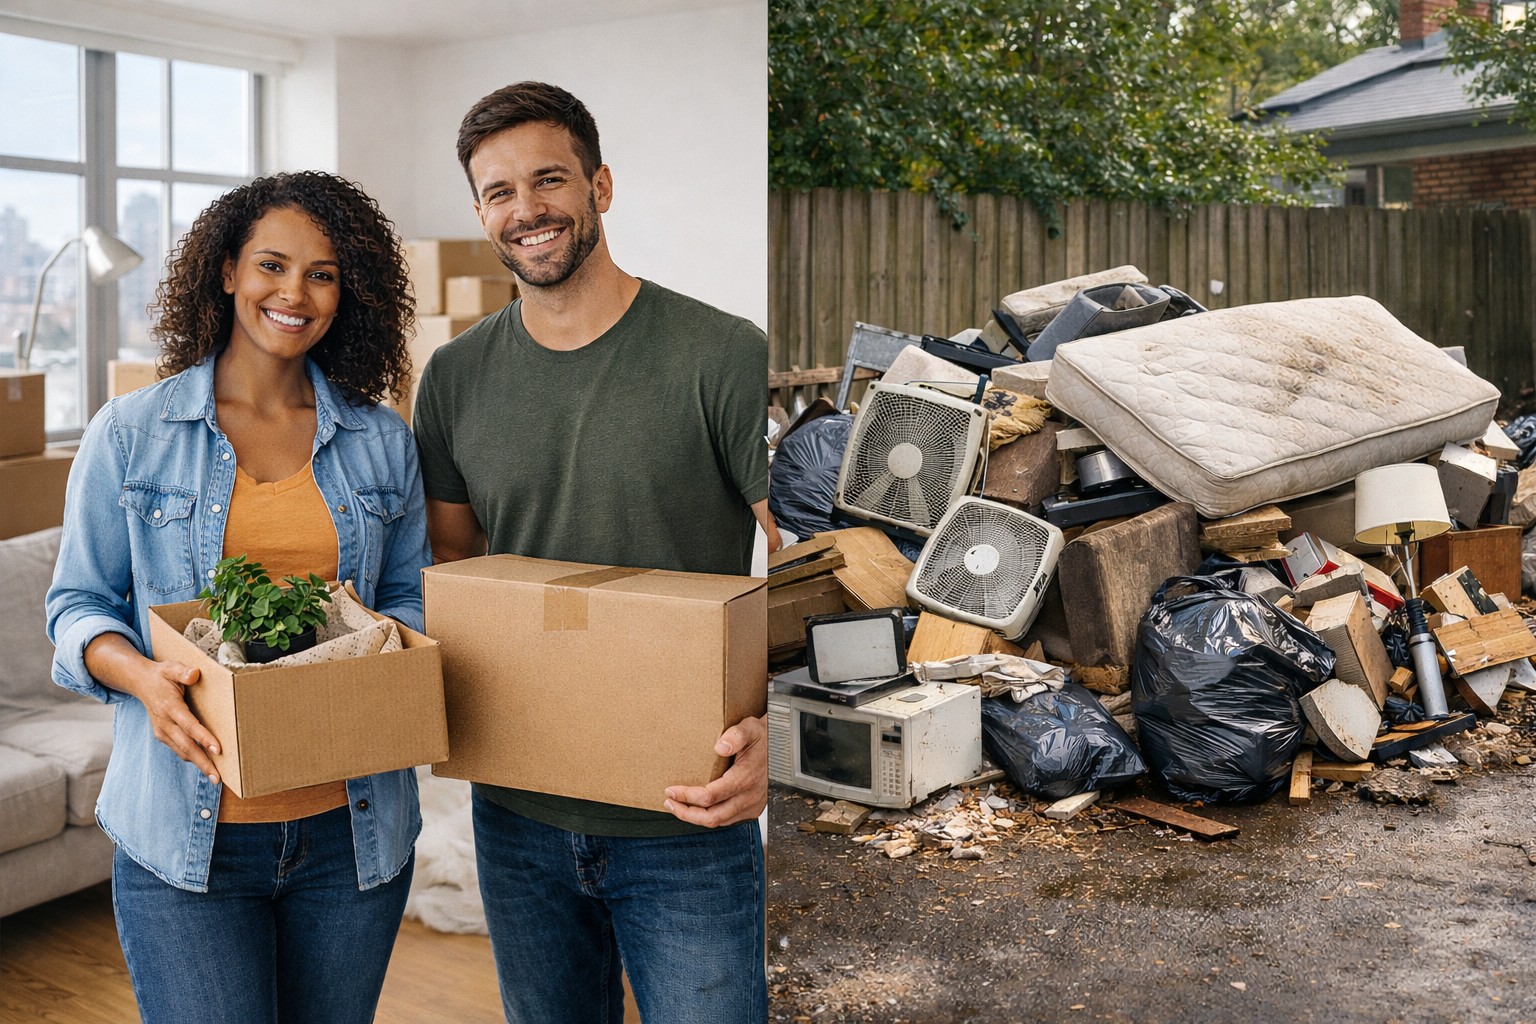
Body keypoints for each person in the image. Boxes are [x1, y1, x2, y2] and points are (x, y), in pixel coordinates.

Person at [411, 81, 779, 1023]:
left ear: (600, 186)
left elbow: (815, 567)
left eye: (548, 180)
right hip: (517, 813)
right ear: (482, 213)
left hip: (687, 815)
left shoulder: (722, 354)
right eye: (499, 193)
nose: (526, 210)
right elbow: (456, 574)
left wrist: (778, 730)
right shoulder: (453, 379)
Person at [45, 171, 430, 1024]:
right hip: (186, 842)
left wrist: (368, 659)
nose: (294, 293)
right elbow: (77, 608)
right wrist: (146, 678)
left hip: (352, 833)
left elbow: (409, 597)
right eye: (272, 265)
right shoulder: (133, 433)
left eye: (322, 273)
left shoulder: (380, 440)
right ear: (226, 272)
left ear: (347, 291)